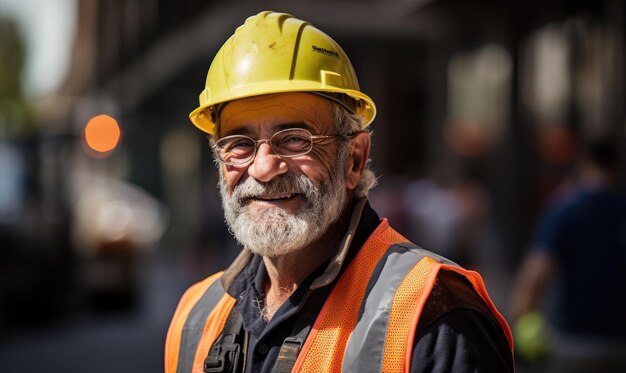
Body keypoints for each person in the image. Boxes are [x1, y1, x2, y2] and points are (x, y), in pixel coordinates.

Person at [165, 11, 513, 373]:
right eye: (239, 144)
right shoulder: (196, 318)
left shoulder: (435, 316)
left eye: (295, 140)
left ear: (355, 160)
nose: (263, 168)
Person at [510, 138, 626, 372]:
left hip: (573, 341)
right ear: (617, 165)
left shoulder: (565, 210)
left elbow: (536, 276)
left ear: (584, 163)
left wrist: (516, 325)